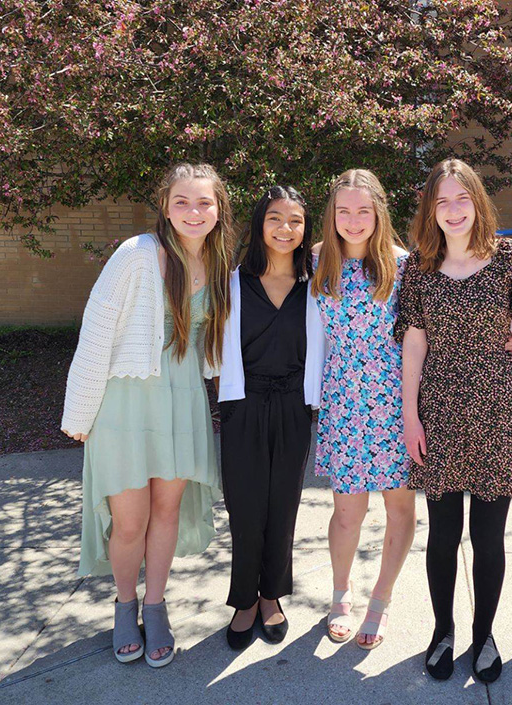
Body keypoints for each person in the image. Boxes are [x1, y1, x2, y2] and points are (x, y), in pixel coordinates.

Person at [61, 162, 232, 667]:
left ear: (219, 209)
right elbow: (95, 334)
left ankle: (155, 606)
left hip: (183, 405)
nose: (194, 211)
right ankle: (124, 605)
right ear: (165, 206)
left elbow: (213, 344)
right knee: (129, 521)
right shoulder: (136, 255)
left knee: (166, 514)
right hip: (125, 406)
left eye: (204, 202)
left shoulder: (219, 263)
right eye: (182, 201)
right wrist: (80, 413)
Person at [397, 158, 512, 683]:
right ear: (430, 210)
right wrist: (410, 417)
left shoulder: (509, 258)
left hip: (498, 411)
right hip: (437, 412)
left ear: (477, 202)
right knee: (441, 535)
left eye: (463, 199)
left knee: (489, 537)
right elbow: (413, 343)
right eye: (442, 201)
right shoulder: (418, 265)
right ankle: (443, 631)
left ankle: (484, 635)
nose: (453, 211)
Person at [312, 169, 415, 650]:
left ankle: (381, 598)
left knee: (399, 507)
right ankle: (340, 595)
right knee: (347, 512)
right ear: (331, 215)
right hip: (345, 404)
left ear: (379, 213)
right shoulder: (315, 264)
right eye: (343, 211)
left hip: (396, 402)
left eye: (363, 211)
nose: (353, 221)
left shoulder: (404, 266)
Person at [217, 186, 325, 650]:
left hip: (295, 406)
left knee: (283, 506)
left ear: (306, 229)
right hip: (243, 404)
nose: (286, 228)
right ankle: (244, 599)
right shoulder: (233, 282)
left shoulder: (317, 281)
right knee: (244, 507)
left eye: (296, 220)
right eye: (275, 218)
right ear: (260, 225)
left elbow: (385, 250)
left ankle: (271, 597)